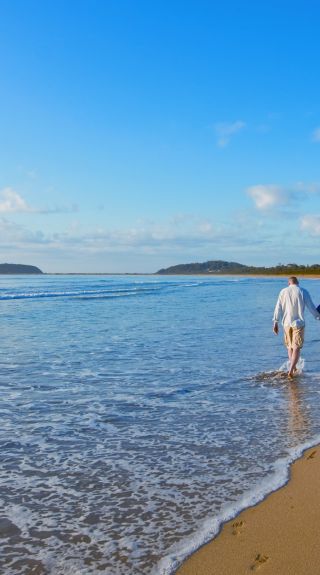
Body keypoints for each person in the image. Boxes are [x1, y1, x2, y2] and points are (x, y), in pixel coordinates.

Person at [273, 276, 320, 378]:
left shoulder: (283, 291)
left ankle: (293, 368)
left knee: (290, 347)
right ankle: (291, 371)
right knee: (297, 348)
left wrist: (275, 322)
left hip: (286, 323)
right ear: (297, 282)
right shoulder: (303, 291)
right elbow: (311, 306)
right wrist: (318, 316)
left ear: (288, 283)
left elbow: (278, 307)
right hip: (298, 324)